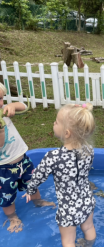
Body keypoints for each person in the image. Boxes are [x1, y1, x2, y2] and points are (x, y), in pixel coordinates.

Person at [23, 103, 96, 247]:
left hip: (68, 208)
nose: (53, 123)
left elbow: (37, 177)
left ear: (67, 133)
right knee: (88, 228)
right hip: (87, 200)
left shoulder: (53, 157)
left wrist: (30, 190)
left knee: (68, 241)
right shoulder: (89, 150)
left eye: (56, 122)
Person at [0, 82, 55, 233]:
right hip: (3, 169)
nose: (0, 103)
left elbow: (24, 106)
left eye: (0, 98)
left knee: (32, 183)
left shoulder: (2, 110)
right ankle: (12, 217)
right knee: (6, 196)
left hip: (22, 160)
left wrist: (12, 106)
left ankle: (37, 201)